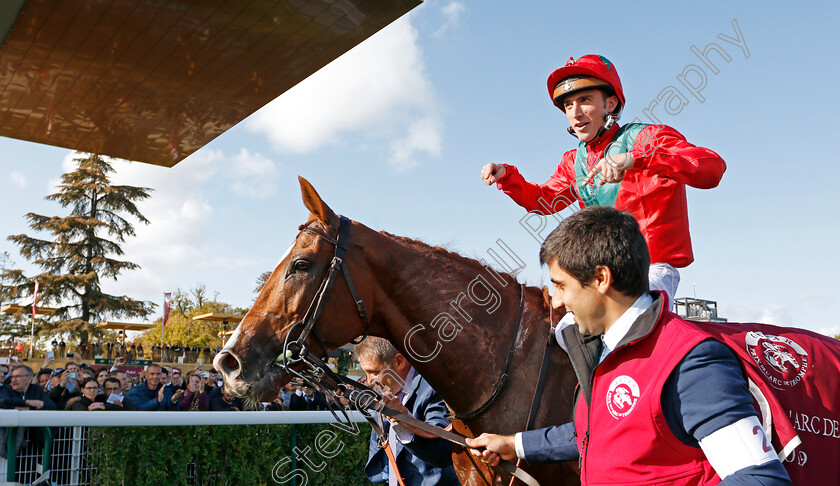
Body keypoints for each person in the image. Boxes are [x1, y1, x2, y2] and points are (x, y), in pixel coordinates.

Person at [466, 207, 791, 485]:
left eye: (562, 286)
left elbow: (759, 478)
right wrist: (515, 444)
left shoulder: (690, 362)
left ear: (602, 279)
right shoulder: (601, 350)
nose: (560, 301)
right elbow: (594, 433)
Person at [481, 54, 725, 322]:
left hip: (649, 270)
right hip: (598, 272)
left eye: (584, 101)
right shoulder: (574, 161)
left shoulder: (647, 138)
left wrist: (636, 159)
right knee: (556, 330)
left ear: (610, 103)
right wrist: (507, 176)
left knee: (623, 320)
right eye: (568, 105)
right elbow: (542, 200)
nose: (574, 113)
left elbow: (712, 168)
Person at [356, 337, 459, 486]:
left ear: (399, 361)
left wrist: (404, 421)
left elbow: (442, 452)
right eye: (365, 372)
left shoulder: (435, 387)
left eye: (374, 372)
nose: (370, 381)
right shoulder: (387, 390)